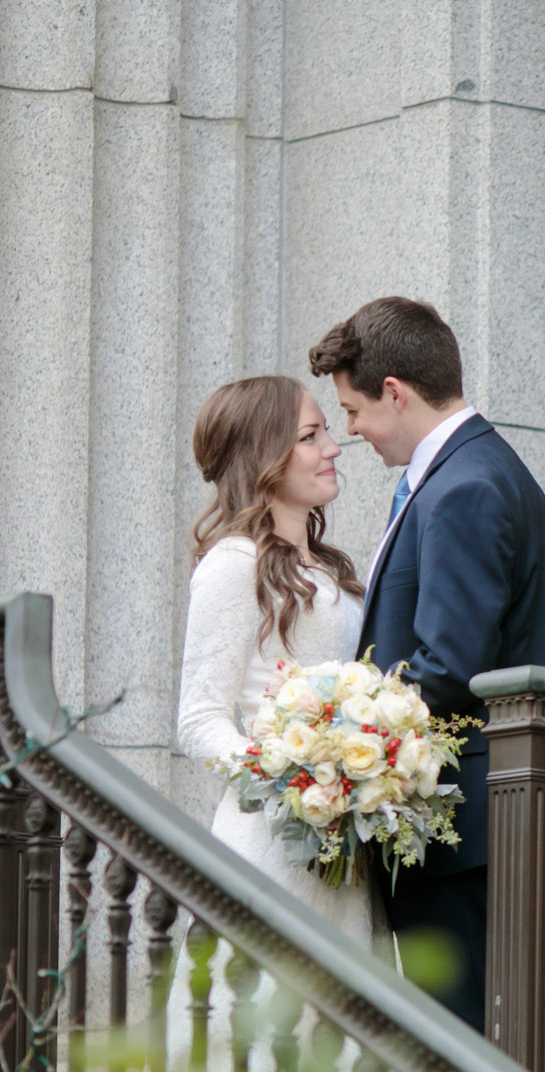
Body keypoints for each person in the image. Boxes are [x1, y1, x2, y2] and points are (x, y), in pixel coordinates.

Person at [307, 296, 545, 1031]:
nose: (350, 430)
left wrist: (339, 739)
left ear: (396, 392)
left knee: (461, 1048)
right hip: (472, 826)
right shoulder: (466, 471)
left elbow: (448, 667)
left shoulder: (465, 487)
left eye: (354, 410)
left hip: (465, 830)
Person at [176, 374, 374, 946]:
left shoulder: (332, 570)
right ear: (264, 454)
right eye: (311, 436)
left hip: (341, 838)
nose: (333, 449)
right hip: (271, 837)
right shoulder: (233, 564)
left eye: (326, 432)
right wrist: (295, 776)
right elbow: (199, 719)